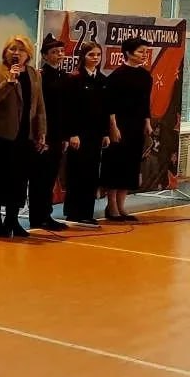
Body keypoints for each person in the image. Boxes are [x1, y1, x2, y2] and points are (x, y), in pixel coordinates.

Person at [0, 35, 45, 238]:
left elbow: (39, 106)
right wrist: (9, 82)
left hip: (24, 136)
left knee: (18, 181)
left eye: (21, 50)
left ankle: (12, 220)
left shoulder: (34, 74)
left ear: (28, 54)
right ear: (5, 53)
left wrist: (41, 132)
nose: (16, 53)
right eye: (12, 49)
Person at [100, 37, 154, 221]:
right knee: (116, 164)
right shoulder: (117, 76)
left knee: (131, 165)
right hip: (120, 125)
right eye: (140, 52)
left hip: (136, 125)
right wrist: (113, 127)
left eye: (146, 52)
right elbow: (110, 105)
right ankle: (111, 206)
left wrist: (147, 122)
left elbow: (145, 102)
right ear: (128, 53)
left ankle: (122, 206)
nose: (144, 55)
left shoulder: (145, 76)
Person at [62, 41, 109, 224]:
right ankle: (73, 212)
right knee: (77, 173)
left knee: (91, 174)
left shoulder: (102, 80)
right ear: (83, 57)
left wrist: (105, 133)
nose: (95, 58)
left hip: (95, 135)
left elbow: (104, 110)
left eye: (98, 55)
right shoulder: (75, 79)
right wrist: (72, 133)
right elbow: (69, 110)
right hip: (79, 135)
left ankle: (87, 212)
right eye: (91, 55)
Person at [29, 34, 68, 230]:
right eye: (54, 52)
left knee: (51, 176)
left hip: (58, 134)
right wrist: (39, 134)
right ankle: (37, 216)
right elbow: (38, 108)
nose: (59, 54)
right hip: (44, 133)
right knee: (40, 177)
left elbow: (66, 110)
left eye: (61, 51)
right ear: (45, 55)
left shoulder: (63, 76)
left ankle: (47, 214)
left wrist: (65, 135)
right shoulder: (40, 77)